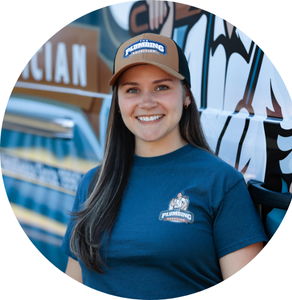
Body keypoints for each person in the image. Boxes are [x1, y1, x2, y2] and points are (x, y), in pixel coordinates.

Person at [62, 33, 268, 299]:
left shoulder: (221, 183)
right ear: (118, 102)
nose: (146, 102)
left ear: (186, 96)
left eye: (162, 87)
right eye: (132, 90)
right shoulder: (93, 184)